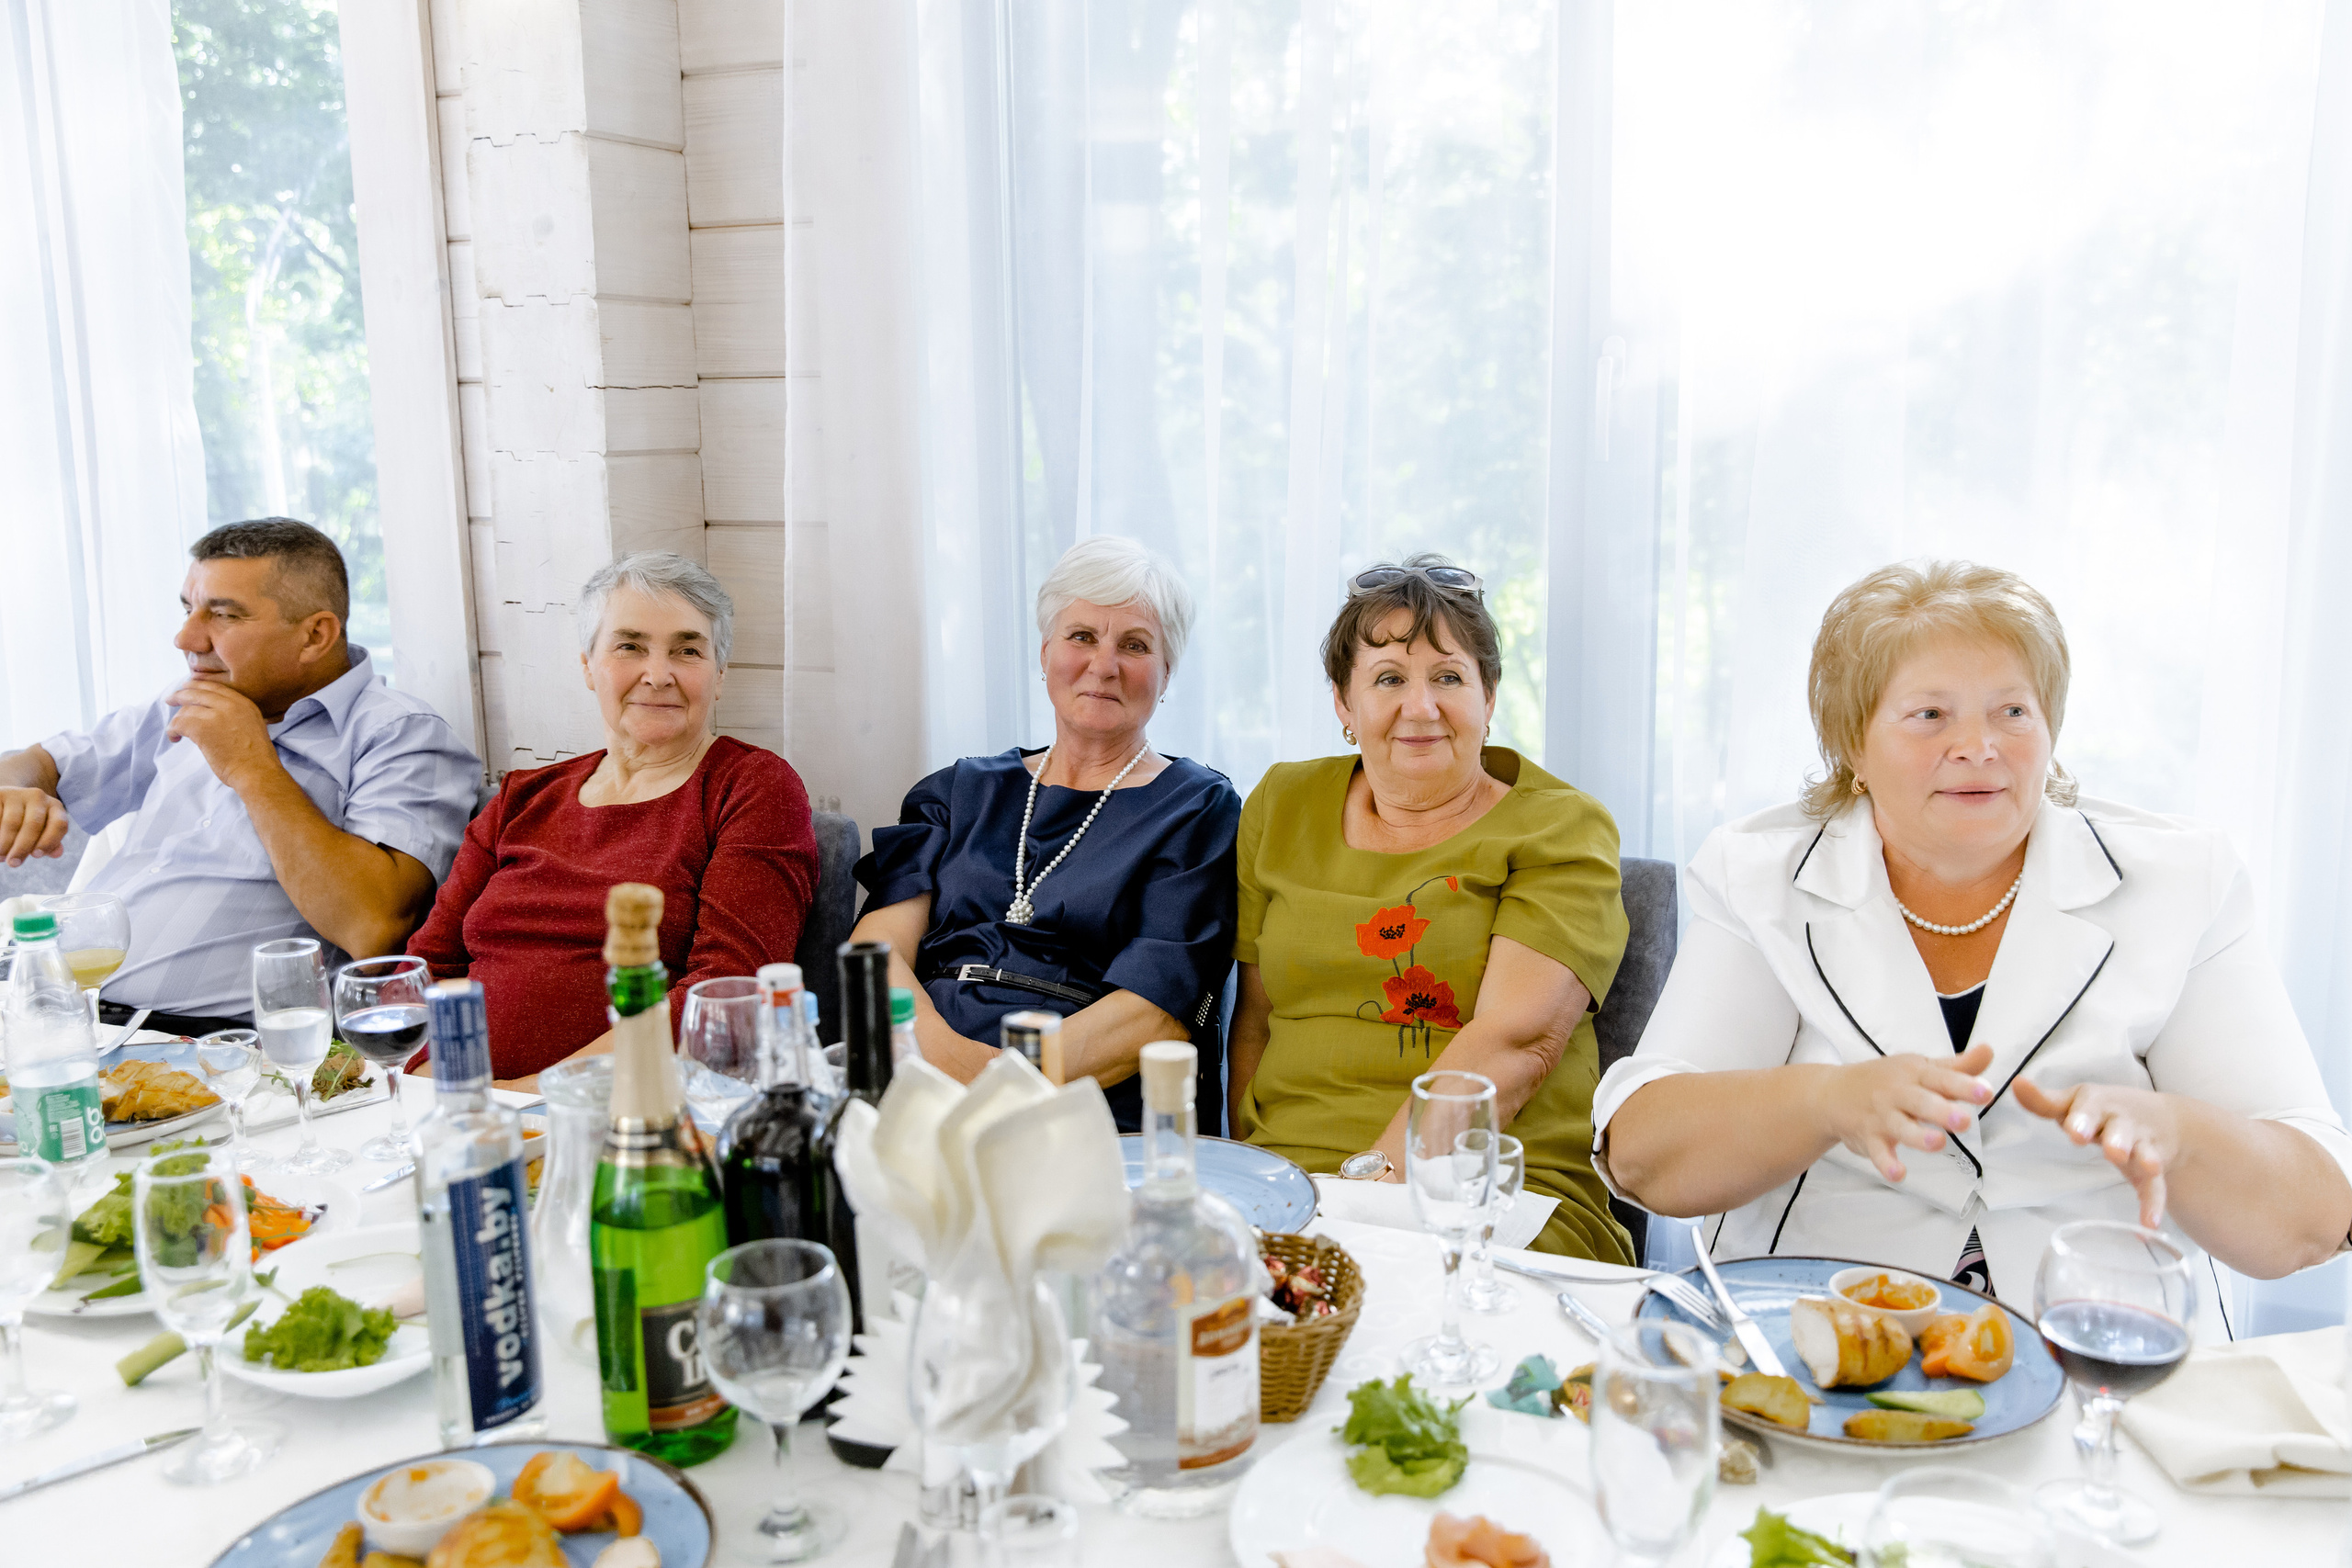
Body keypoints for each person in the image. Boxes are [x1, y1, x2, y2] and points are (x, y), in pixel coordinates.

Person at [1595, 560, 2352, 1307]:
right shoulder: (1760, 876)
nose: (1979, 745)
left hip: (2101, 1349)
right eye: (1931, 714)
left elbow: (2316, 1218)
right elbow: (1643, 1155)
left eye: (2012, 711)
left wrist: (2182, 1134)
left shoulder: (2184, 882)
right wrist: (1826, 1101)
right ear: (1854, 744)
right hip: (1813, 1337)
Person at [1228, 556, 1632, 1260]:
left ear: (1489, 696)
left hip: (1497, 1190)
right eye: (1388, 678)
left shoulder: (1563, 828)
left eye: (1448, 676)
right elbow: (1255, 1021)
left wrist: (1362, 1205)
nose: (1421, 706)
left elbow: (1514, 1045)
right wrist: (1253, 1179)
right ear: (1344, 705)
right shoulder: (1280, 805)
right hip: (1291, 1186)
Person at [0, 518, 479, 1033]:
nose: (185, 637)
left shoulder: (402, 736)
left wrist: (252, 768)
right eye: (188, 608)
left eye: (223, 615)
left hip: (211, 1046)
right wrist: (23, 789)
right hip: (47, 1013)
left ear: (315, 635)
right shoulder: (183, 704)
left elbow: (374, 927)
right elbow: (36, 761)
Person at [852, 536, 1240, 1131]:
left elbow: (1154, 1013)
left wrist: (995, 1088)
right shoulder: (958, 791)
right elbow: (875, 954)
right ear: (1045, 652)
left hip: (1082, 1099)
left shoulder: (1197, 807)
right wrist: (946, 1064)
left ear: (1167, 674)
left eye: (1134, 645)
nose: (1103, 664)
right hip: (922, 1069)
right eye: (1081, 636)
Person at [406, 551, 817, 1085]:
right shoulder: (523, 796)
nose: (658, 674)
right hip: (464, 1105)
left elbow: (724, 994)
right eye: (630, 646)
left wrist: (533, 1096)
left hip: (630, 1110)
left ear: (718, 677)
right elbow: (426, 971)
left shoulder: (752, 787)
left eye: (687, 650)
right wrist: (444, 1089)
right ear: (587, 666)